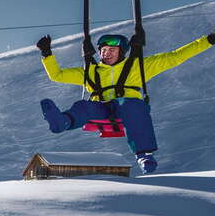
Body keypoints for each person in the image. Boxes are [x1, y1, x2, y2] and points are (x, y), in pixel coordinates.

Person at [37, 31, 213, 173]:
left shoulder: (138, 66)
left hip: (128, 107)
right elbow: (57, 75)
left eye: (112, 50)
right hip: (102, 110)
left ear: (122, 52)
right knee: (84, 106)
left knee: (130, 105)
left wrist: (208, 41)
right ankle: (63, 121)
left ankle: (144, 154)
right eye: (103, 50)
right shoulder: (92, 71)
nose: (107, 54)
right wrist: (47, 54)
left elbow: (175, 57)